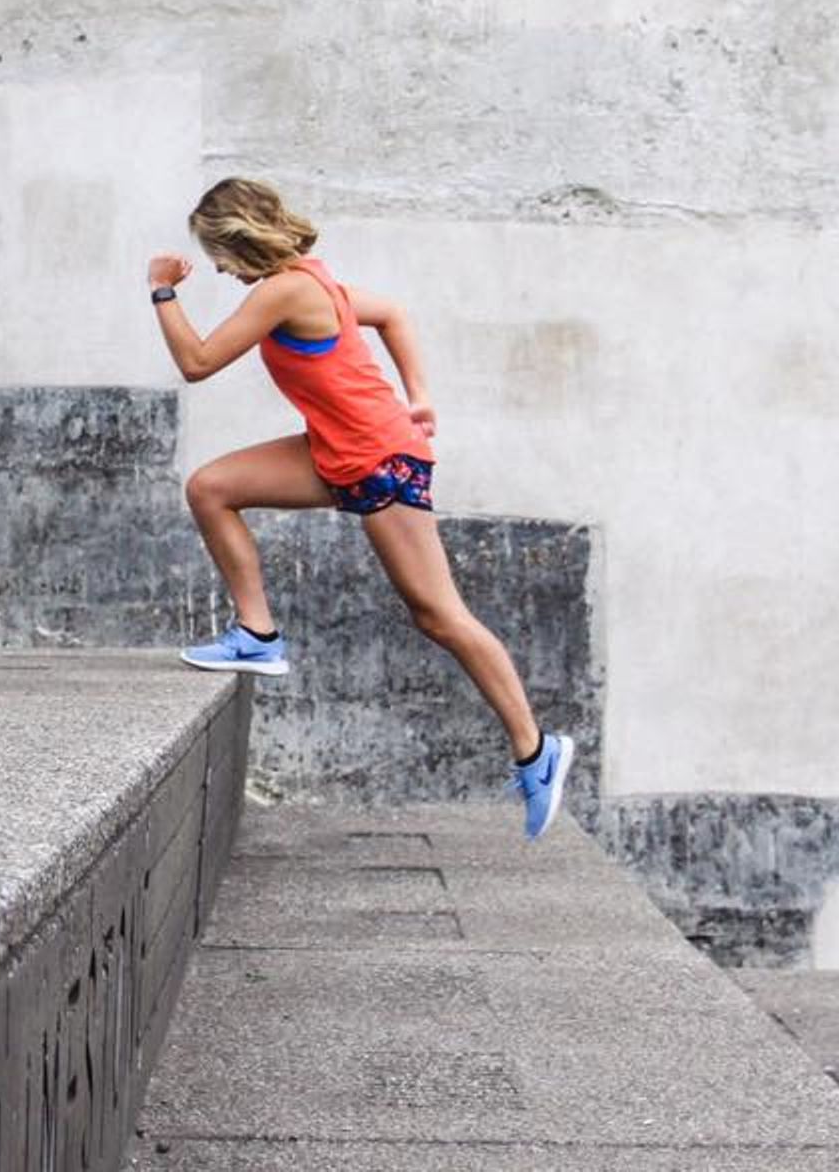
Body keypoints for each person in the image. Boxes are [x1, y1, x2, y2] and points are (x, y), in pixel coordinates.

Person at [146, 177, 574, 840]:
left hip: (380, 461)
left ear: (240, 239)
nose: (222, 268)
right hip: (338, 452)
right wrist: (421, 395)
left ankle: (536, 749)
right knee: (211, 486)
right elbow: (394, 312)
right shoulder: (315, 281)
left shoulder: (285, 289)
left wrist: (162, 290)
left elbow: (198, 362)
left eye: (220, 255)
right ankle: (258, 637)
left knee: (439, 615)